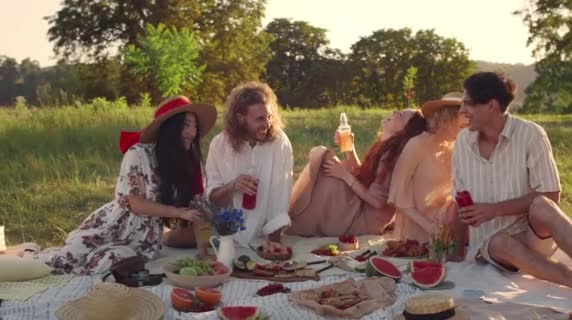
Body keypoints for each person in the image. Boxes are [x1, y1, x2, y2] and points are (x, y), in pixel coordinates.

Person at [452, 71, 572, 304]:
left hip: (532, 236)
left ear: (492, 105)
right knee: (502, 241)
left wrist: (494, 209)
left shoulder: (531, 134)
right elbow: (457, 203)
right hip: (492, 247)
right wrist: (455, 253)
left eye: (468, 103)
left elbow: (551, 195)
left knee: (542, 203)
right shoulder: (462, 143)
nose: (462, 110)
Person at [32, 96, 217, 275]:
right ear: (169, 127)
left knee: (111, 262)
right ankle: (28, 254)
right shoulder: (138, 154)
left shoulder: (187, 161)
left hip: (145, 240)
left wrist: (203, 251)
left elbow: (197, 208)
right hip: (114, 226)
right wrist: (178, 212)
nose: (192, 133)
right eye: (186, 124)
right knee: (62, 264)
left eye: (195, 126)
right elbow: (136, 204)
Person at [288, 108, 427, 236]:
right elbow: (364, 176)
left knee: (325, 160)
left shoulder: (392, 158)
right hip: (360, 208)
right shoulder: (385, 148)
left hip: (362, 221)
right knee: (326, 163)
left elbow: (377, 202)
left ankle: (298, 219)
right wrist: (349, 148)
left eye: (401, 115)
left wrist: (344, 175)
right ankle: (297, 215)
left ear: (404, 130)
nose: (395, 112)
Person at [205, 81, 293, 247]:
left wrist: (274, 244)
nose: (267, 124)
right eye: (259, 119)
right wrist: (232, 186)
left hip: (264, 235)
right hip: (226, 235)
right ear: (240, 118)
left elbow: (280, 198)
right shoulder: (219, 145)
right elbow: (213, 199)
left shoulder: (280, 142)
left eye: (269, 117)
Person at [387, 93, 466, 243]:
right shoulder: (417, 144)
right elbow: (398, 195)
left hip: (446, 231)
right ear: (447, 118)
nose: (468, 126)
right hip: (417, 232)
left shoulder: (457, 147)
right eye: (463, 124)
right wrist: (429, 227)